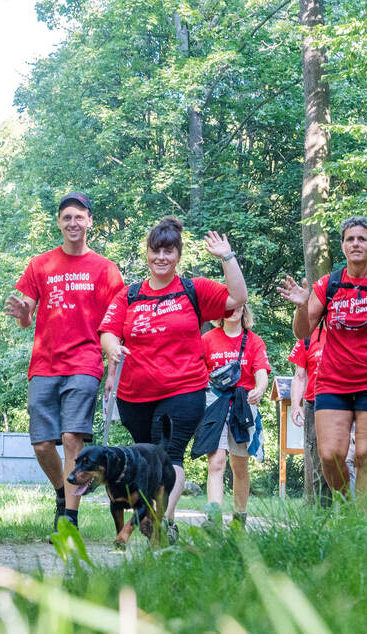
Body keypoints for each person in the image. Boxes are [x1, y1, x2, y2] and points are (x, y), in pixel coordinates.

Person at [99, 217, 247, 541]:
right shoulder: (130, 295)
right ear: (147, 254)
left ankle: (162, 519)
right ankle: (156, 515)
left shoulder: (194, 290)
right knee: (146, 457)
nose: (161, 257)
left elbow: (238, 298)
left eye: (168, 251)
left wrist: (227, 257)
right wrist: (113, 348)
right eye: (156, 251)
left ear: (178, 255)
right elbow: (108, 331)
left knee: (170, 454)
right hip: (135, 394)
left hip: (184, 388)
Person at [277, 216, 367, 504]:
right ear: (342, 246)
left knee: (366, 454)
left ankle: (363, 521)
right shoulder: (329, 285)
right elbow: (303, 331)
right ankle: (346, 506)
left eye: (362, 239)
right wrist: (302, 306)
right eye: (349, 239)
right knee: (330, 454)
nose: (356, 244)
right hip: (333, 381)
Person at [5, 192, 125, 531]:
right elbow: (26, 318)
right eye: (66, 217)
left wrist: (113, 368)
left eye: (79, 217)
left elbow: (115, 323)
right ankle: (62, 492)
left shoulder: (105, 269)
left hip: (85, 362)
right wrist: (23, 313)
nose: (73, 222)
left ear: (89, 221)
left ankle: (69, 519)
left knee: (73, 437)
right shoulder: (40, 264)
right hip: (44, 364)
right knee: (42, 443)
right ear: (59, 223)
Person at [201, 304, 270, 525]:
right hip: (215, 404)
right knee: (216, 462)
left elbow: (261, 372)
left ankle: (239, 517)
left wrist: (259, 389)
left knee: (239, 465)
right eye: (228, 307)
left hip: (243, 404)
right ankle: (214, 519)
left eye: (237, 306)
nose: (233, 310)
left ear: (244, 309)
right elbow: (198, 373)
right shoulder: (207, 339)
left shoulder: (254, 341)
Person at [287, 335, 329, 505]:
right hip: (314, 403)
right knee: (316, 456)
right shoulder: (306, 340)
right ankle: (319, 506)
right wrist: (296, 405)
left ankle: (347, 505)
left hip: (343, 400)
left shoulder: (345, 330)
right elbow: (299, 376)